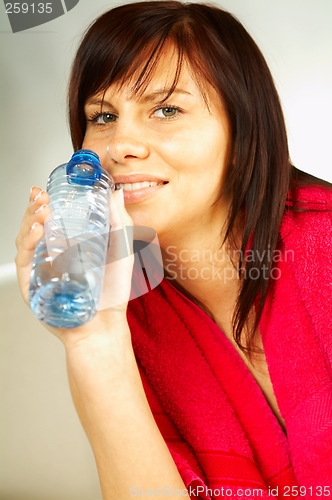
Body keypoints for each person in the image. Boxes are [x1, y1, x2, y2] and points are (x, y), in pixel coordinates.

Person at [15, 1, 332, 499]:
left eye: (166, 109)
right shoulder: (118, 307)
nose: (121, 144)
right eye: (103, 116)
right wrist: (95, 341)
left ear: (242, 124)